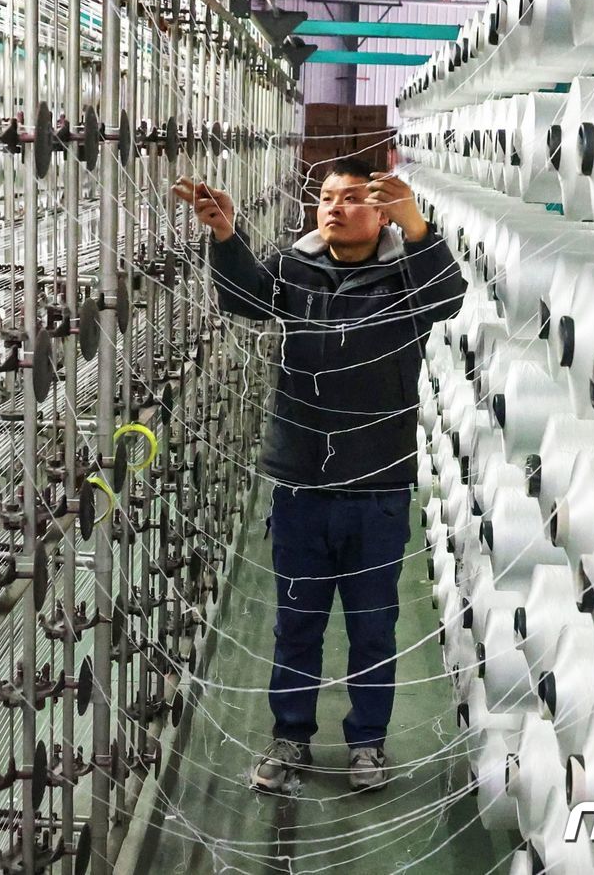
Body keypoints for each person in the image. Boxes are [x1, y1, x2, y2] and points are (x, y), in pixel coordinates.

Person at [172, 155, 465, 793]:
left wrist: (418, 228)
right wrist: (225, 235)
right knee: (297, 621)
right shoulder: (295, 266)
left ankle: (367, 743)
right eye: (328, 197)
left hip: (377, 484)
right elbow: (245, 297)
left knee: (372, 625)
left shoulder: (405, 275)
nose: (334, 207)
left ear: (381, 211)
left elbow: (448, 298)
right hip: (302, 478)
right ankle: (290, 738)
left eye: (352, 197)